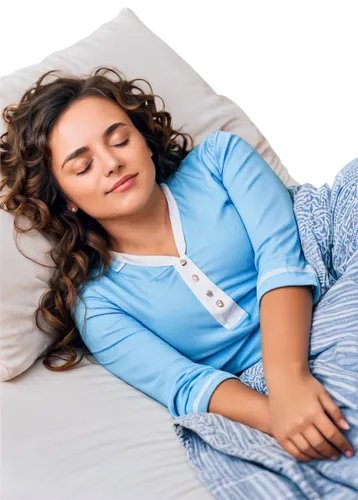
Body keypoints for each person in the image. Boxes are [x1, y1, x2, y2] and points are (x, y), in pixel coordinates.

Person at [1, 67, 353, 464]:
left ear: (144, 141)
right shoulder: (99, 306)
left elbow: (282, 259)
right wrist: (285, 416)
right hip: (266, 389)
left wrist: (290, 381)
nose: (112, 163)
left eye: (119, 140)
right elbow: (185, 384)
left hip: (330, 290)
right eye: (82, 167)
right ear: (67, 199)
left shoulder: (220, 161)